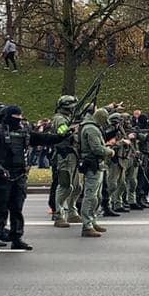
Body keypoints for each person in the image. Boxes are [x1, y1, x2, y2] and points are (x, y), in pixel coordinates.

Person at [0, 104, 66, 254]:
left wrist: (64, 134)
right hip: (1, 175)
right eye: (15, 117)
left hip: (19, 175)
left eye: (19, 117)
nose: (18, 120)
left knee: (17, 209)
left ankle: (16, 238)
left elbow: (44, 138)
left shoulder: (24, 132)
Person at [77, 108, 111, 237]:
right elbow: (96, 148)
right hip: (93, 164)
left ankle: (92, 220)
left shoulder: (92, 127)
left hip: (96, 164)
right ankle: (87, 225)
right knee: (90, 195)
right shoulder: (91, 129)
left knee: (97, 196)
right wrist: (109, 151)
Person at [50, 96, 82, 228]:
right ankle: (58, 214)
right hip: (64, 156)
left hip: (72, 155)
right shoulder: (59, 118)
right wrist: (71, 129)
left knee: (77, 186)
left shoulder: (69, 118)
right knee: (65, 186)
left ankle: (72, 212)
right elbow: (61, 131)